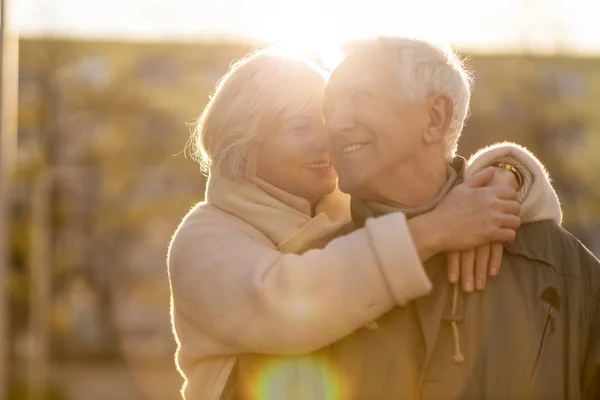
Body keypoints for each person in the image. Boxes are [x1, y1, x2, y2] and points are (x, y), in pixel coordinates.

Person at [167, 48, 562, 400]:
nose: (328, 138)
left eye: (328, 120)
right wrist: (436, 230)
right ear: (243, 142)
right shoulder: (204, 238)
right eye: (301, 126)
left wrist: (506, 175)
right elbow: (288, 303)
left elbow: (429, 179)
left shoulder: (343, 205)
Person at [318, 36, 600, 399]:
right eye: (329, 109)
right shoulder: (311, 270)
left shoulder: (556, 265)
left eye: (361, 98)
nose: (336, 124)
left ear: (435, 117)